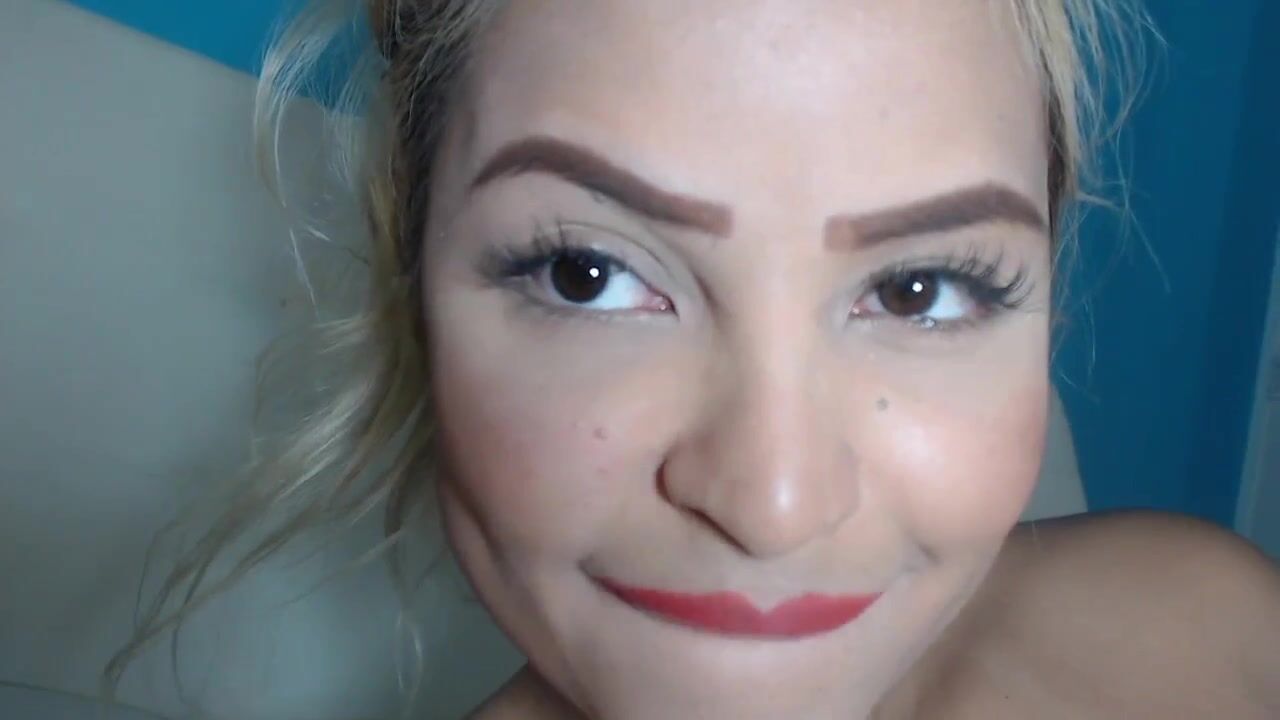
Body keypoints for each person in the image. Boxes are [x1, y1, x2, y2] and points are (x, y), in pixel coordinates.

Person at [103, 0, 1280, 718]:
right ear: (412, 292)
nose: (771, 505)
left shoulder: (1215, 624)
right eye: (586, 274)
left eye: (917, 290)